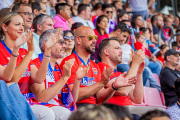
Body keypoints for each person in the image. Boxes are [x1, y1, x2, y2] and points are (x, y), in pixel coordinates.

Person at [60, 26, 135, 107]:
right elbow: (72, 97)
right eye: (90, 37)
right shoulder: (69, 62)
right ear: (78, 40)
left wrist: (113, 87)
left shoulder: (95, 66)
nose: (94, 40)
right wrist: (101, 83)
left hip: (94, 107)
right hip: (78, 108)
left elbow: (99, 98)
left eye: (95, 37)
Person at [29, 29, 90, 120]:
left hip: (57, 107)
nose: (64, 46)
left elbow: (72, 100)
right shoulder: (36, 65)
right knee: (65, 114)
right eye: (60, 42)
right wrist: (65, 78)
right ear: (47, 44)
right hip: (42, 109)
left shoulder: (60, 67)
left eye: (64, 43)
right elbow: (41, 98)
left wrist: (77, 79)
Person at [0, 12, 37, 120]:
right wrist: (16, 49)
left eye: (22, 24)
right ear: (5, 27)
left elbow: (39, 79)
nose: (22, 28)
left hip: (19, 97)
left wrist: (47, 52)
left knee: (11, 86)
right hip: (10, 98)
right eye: (17, 24)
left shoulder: (23, 50)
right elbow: (10, 78)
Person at [98, 37, 145, 106]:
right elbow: (123, 91)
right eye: (117, 48)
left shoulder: (119, 73)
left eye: (120, 48)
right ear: (106, 52)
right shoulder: (101, 68)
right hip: (117, 111)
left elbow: (137, 99)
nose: (121, 51)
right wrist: (135, 64)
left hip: (128, 110)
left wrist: (139, 72)